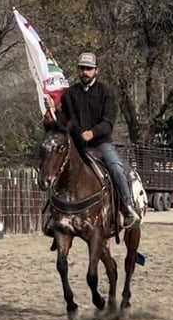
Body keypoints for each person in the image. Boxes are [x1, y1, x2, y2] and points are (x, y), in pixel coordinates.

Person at [45, 52, 140, 228]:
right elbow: (64, 122)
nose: (85, 72)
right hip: (76, 145)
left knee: (117, 168)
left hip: (101, 143)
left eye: (89, 69)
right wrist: (53, 110)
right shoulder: (69, 94)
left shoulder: (106, 93)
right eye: (82, 68)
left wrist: (92, 133)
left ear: (96, 70)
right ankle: (54, 214)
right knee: (55, 166)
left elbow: (108, 122)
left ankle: (127, 208)